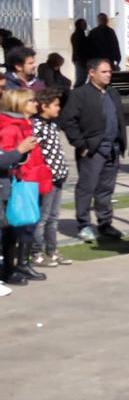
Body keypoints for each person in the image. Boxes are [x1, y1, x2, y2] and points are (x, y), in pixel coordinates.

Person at [59, 58, 123, 245]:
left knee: (106, 190)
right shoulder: (79, 94)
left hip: (113, 148)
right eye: (104, 72)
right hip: (92, 151)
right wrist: (81, 144)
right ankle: (84, 224)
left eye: (109, 71)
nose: (108, 75)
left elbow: (117, 118)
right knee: (87, 188)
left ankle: (105, 223)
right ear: (91, 73)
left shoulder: (112, 93)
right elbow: (67, 121)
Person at [0, 87, 51, 287]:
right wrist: (20, 152)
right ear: (19, 103)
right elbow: (5, 159)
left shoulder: (24, 125)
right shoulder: (11, 127)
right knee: (9, 229)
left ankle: (16, 267)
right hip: (11, 184)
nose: (35, 104)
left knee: (16, 228)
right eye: (31, 101)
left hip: (22, 182)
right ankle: (9, 270)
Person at [31, 90, 72, 268]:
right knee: (43, 217)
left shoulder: (52, 124)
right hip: (45, 178)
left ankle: (52, 250)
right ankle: (36, 252)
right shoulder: (36, 126)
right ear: (44, 106)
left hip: (58, 176)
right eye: (55, 105)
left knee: (53, 217)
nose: (58, 108)